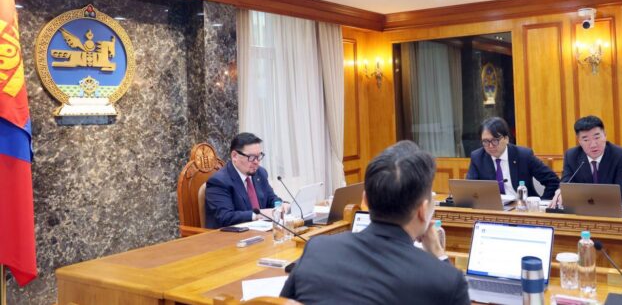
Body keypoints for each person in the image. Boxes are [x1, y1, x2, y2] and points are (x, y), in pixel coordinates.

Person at [281, 141, 470, 305]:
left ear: (366, 200)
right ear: (423, 210)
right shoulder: (445, 280)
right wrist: (438, 254)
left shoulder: (317, 249)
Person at [204, 132, 288, 228]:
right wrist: (258, 214)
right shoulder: (219, 181)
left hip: (261, 231)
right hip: (232, 235)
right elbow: (225, 217)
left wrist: (281, 206)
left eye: (259, 156)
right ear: (234, 156)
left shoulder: (260, 173)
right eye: (251, 157)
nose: (256, 162)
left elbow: (271, 198)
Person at [551, 115, 622, 207]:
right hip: (581, 211)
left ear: (605, 135)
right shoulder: (571, 156)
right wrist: (561, 192)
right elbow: (566, 184)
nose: (593, 145)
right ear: (579, 141)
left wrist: (583, 198)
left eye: (597, 137)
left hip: (612, 210)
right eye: (586, 140)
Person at [467, 117, 560, 199]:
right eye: (485, 141)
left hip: (522, 207)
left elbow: (553, 181)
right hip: (492, 209)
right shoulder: (477, 157)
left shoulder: (524, 155)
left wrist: (541, 203)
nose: (490, 146)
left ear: (506, 139)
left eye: (495, 140)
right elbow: (470, 189)